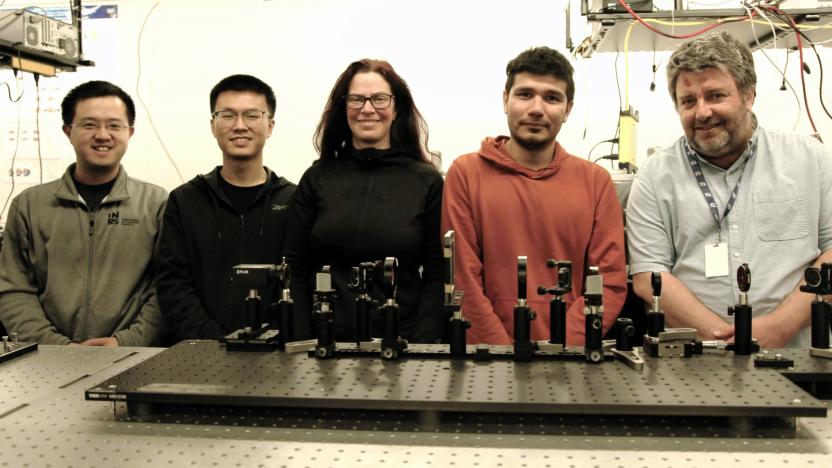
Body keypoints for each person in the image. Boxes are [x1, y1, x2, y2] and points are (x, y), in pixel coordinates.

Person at [626, 31, 832, 348]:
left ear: (748, 95)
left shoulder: (810, 159)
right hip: (693, 365)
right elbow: (649, 277)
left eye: (716, 96)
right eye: (688, 101)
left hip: (799, 356)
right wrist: (724, 339)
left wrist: (776, 329)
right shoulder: (655, 177)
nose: (702, 112)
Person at [441, 46, 627, 346]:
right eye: (525, 94)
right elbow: (463, 280)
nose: (537, 108)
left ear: (567, 110)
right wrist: (499, 354)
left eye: (552, 97)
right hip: (488, 360)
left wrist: (561, 350)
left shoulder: (596, 182)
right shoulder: (465, 174)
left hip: (568, 362)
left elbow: (609, 282)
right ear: (506, 99)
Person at [284, 59, 445, 343]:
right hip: (325, 346)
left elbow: (436, 275)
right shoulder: (316, 178)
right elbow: (294, 268)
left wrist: (423, 347)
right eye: (357, 99)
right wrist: (300, 341)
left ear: (396, 109)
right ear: (344, 108)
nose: (367, 109)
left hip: (401, 345)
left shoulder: (427, 182)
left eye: (380, 99)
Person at [0, 80, 167, 346]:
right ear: (68, 130)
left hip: (131, 357)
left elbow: (166, 288)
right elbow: (13, 289)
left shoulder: (157, 203)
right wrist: (57, 347)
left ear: (130, 132)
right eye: (89, 125)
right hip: (46, 362)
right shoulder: (29, 205)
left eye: (114, 125)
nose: (103, 135)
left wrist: (125, 342)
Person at [155, 75, 296, 343]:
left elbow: (300, 280)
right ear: (213, 125)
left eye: (252, 115)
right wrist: (212, 341)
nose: (240, 126)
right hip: (202, 355)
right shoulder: (185, 201)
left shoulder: (294, 200)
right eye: (228, 115)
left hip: (279, 354)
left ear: (270, 125)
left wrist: (276, 337)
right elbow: (173, 284)